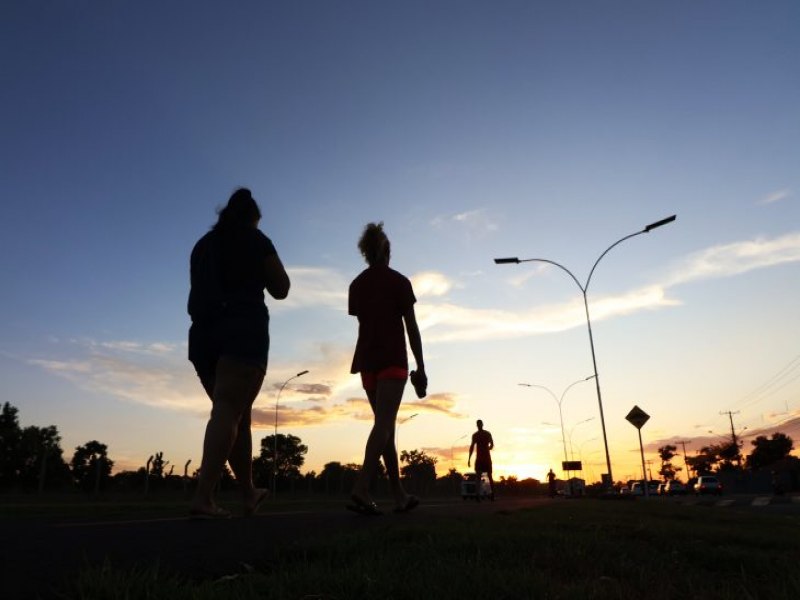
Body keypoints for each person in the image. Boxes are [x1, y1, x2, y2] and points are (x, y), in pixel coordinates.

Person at [187, 188, 290, 518]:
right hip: (242, 332)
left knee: (236, 415)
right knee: (229, 410)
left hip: (203, 338)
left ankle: (248, 492)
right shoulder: (255, 240)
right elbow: (281, 287)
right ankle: (204, 497)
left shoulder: (203, 246)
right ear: (252, 218)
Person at [347, 222, 426, 515]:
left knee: (386, 428)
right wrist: (421, 366)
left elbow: (364, 323)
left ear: (366, 253)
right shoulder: (399, 282)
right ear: (387, 251)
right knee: (383, 425)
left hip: (367, 361)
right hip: (393, 358)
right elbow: (412, 328)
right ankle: (362, 487)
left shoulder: (356, 285)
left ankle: (398, 494)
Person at [468, 419, 495, 500]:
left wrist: (489, 447)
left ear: (480, 425)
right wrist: (469, 458)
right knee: (481, 476)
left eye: (479, 424)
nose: (479, 425)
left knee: (486, 476)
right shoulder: (478, 435)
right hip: (482, 458)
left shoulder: (483, 434)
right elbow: (472, 447)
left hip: (484, 458)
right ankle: (478, 495)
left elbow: (491, 444)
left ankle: (490, 494)